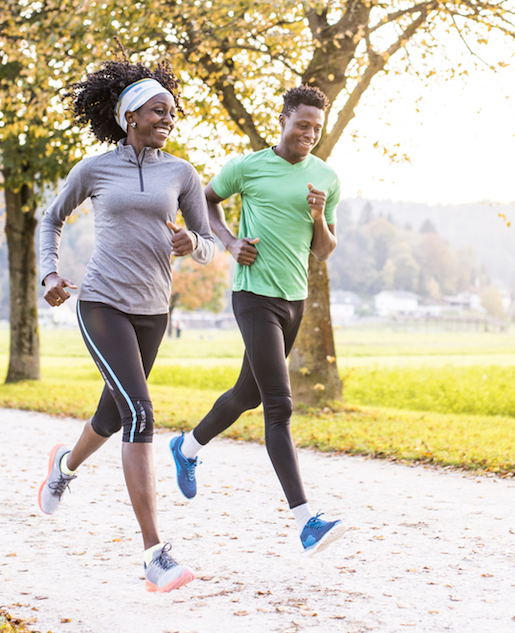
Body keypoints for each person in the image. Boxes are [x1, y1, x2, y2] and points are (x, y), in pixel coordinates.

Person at [36, 59, 215, 593]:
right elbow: (51, 217)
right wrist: (48, 271)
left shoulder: (181, 172)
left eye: (173, 112)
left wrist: (192, 244)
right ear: (130, 114)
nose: (169, 118)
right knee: (140, 412)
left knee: (113, 414)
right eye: (159, 110)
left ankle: (63, 465)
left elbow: (206, 245)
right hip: (101, 302)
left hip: (153, 309)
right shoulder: (94, 170)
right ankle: (154, 555)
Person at [168, 85, 344, 555]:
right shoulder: (247, 166)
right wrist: (227, 241)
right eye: (302, 124)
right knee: (279, 406)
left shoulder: (326, 178)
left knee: (247, 393)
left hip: (294, 300)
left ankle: (187, 447)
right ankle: (307, 521)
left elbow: (323, 252)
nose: (309, 134)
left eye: (316, 128)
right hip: (253, 295)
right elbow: (205, 199)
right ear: (283, 119)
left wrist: (320, 216)